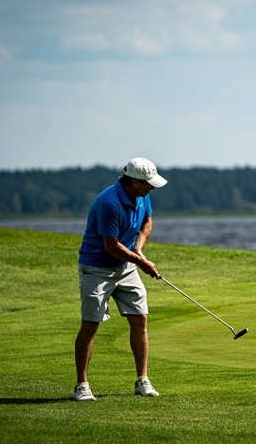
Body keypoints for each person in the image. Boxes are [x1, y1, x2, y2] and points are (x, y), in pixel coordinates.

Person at [73, 157, 168, 402]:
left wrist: (138, 249)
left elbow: (147, 221)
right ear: (135, 182)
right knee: (90, 325)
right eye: (149, 184)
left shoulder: (142, 195)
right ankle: (82, 385)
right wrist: (142, 263)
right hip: (96, 268)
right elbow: (111, 246)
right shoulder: (109, 203)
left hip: (125, 266)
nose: (153, 188)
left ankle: (142, 380)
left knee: (140, 319)